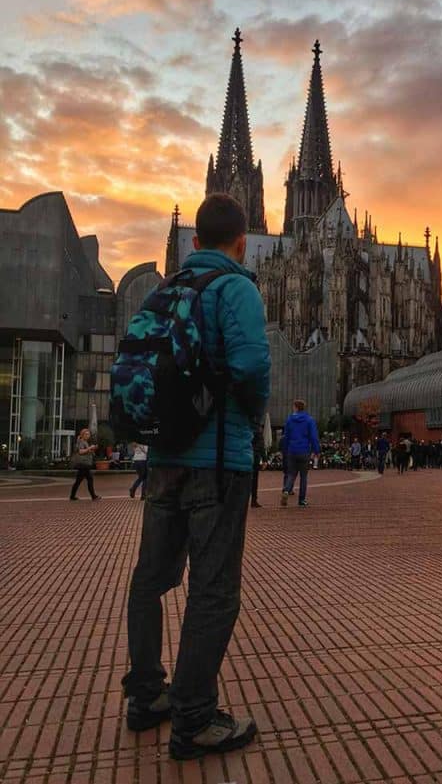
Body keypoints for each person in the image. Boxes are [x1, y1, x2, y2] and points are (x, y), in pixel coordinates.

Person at [121, 193, 271, 761]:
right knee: (214, 592)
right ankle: (194, 717)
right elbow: (254, 366)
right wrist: (247, 414)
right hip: (217, 464)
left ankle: (146, 696)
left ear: (192, 242)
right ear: (242, 241)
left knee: (151, 579)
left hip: (164, 462)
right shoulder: (237, 288)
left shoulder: (166, 291)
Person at [280, 400, 320, 508]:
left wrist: (285, 450)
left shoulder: (289, 420)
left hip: (292, 450)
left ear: (296, 407)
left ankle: (286, 490)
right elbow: (313, 437)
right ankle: (301, 500)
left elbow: (286, 437)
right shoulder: (309, 420)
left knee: (291, 474)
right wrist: (316, 451)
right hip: (304, 451)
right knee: (303, 476)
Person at [69, 428, 100, 501]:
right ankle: (93, 496)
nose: (88, 435)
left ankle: (72, 496)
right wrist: (90, 448)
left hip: (84, 464)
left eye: (88, 434)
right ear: (82, 435)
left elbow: (86, 451)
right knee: (89, 479)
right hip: (83, 464)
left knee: (79, 481)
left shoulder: (84, 442)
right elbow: (80, 452)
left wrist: (92, 449)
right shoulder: (81, 442)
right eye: (86, 434)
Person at [251, 427, 265, 507]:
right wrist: (264, 459)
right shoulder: (258, 429)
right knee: (254, 480)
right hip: (254, 456)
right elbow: (261, 445)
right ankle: (253, 500)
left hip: (244, 454)